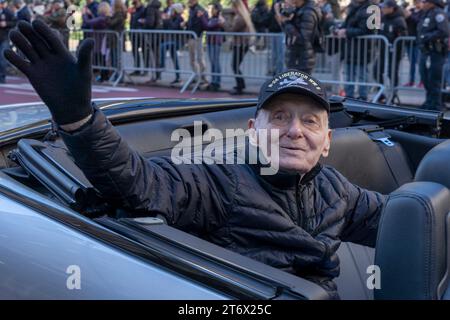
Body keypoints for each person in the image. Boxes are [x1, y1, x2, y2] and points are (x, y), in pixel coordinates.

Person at [5, 20, 387, 299]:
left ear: (326, 141)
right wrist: (79, 119)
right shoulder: (219, 179)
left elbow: (401, 219)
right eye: (281, 117)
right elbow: (140, 184)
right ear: (253, 130)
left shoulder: (337, 189)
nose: (295, 131)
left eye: (310, 121)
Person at [336, 0, 374, 101]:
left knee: (362, 75)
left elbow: (367, 30)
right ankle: (349, 97)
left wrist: (346, 31)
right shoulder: (353, 7)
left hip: (363, 49)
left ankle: (363, 97)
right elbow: (346, 24)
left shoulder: (372, 9)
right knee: (349, 74)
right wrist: (339, 29)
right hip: (350, 48)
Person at [417, 0, 449, 110]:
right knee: (425, 77)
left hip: (435, 52)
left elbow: (444, 31)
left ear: (431, 3)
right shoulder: (426, 13)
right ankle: (429, 101)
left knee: (434, 79)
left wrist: (427, 37)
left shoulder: (438, 13)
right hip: (426, 51)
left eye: (424, 1)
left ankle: (435, 105)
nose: (422, 3)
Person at [374, 0, 408, 103]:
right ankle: (381, 94)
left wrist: (395, 46)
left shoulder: (399, 20)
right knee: (376, 71)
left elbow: (403, 37)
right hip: (383, 51)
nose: (382, 9)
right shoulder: (383, 18)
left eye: (385, 7)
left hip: (394, 53)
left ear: (391, 8)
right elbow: (379, 32)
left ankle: (393, 94)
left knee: (391, 73)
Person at [278, 0, 322, 75]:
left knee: (299, 85)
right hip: (297, 58)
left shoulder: (308, 12)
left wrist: (287, 23)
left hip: (302, 59)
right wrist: (285, 18)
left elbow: (303, 38)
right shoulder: (299, 9)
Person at [229, 0, 255, 95]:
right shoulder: (241, 16)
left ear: (237, 7)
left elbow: (231, 30)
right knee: (235, 65)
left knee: (234, 65)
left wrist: (223, 23)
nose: (232, 9)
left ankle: (240, 86)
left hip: (240, 44)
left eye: (233, 7)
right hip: (240, 44)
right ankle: (240, 84)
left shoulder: (240, 18)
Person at [82, 1, 112, 82]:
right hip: (101, 41)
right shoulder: (105, 17)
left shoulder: (102, 18)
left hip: (101, 41)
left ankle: (104, 76)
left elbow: (89, 22)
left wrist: (84, 14)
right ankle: (103, 75)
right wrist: (90, 14)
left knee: (102, 59)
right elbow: (95, 20)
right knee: (103, 58)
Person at [200, 2, 225, 91]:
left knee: (215, 62)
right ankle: (214, 81)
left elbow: (208, 26)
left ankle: (217, 82)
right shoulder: (212, 18)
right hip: (210, 42)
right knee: (212, 62)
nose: (212, 10)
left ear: (217, 10)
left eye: (213, 9)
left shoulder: (219, 18)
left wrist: (202, 16)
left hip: (215, 42)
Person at [185, 0, 208, 85]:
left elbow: (201, 23)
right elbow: (191, 23)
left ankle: (203, 77)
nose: (189, 2)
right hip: (191, 36)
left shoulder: (200, 9)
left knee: (199, 58)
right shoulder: (191, 10)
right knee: (192, 59)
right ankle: (195, 76)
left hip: (197, 36)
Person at [160, 2, 184, 85]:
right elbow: (166, 27)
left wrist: (168, 19)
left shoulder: (179, 18)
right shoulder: (173, 18)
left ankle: (162, 65)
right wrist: (164, 20)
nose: (171, 11)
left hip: (177, 41)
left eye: (172, 10)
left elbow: (174, 27)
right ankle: (178, 77)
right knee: (175, 60)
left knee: (162, 47)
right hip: (171, 40)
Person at [140, 0, 162, 82]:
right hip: (157, 34)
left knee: (153, 56)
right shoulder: (157, 7)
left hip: (152, 34)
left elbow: (150, 22)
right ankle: (157, 75)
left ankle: (155, 76)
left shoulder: (150, 8)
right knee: (156, 56)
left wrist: (143, 22)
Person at [405, 0, 424, 87]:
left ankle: (422, 81)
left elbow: (420, 23)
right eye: (415, 2)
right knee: (411, 63)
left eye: (418, 2)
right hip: (409, 41)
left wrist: (410, 16)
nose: (417, 4)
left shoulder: (424, 12)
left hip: (417, 41)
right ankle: (411, 81)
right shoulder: (411, 10)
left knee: (419, 63)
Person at [0, 0, 16, 84]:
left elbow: (14, 22)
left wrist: (6, 23)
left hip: (4, 38)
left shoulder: (8, 12)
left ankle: (2, 78)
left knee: (2, 58)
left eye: (2, 3)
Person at [129, 0, 146, 76]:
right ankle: (137, 69)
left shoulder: (144, 10)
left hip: (141, 35)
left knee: (144, 52)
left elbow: (145, 21)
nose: (134, 5)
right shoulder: (134, 11)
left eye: (135, 3)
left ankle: (145, 70)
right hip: (134, 34)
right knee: (135, 52)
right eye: (134, 3)